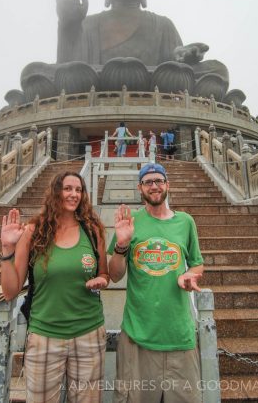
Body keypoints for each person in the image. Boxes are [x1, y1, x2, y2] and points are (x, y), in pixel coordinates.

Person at [0, 171, 109, 403]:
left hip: (88, 332)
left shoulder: (93, 230)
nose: (73, 195)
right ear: (55, 191)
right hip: (44, 335)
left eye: (78, 190)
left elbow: (104, 272)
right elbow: (10, 291)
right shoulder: (34, 231)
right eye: (67, 188)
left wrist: (102, 279)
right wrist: (7, 249)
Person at [108, 163, 204, 403]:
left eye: (159, 181)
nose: (154, 186)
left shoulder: (185, 222)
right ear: (140, 188)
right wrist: (121, 245)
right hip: (138, 336)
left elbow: (197, 263)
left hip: (179, 334)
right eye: (148, 182)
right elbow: (115, 275)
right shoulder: (130, 223)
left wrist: (189, 274)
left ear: (167, 185)